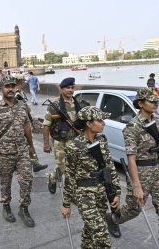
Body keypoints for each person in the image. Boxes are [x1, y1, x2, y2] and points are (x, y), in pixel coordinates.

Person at [107, 88, 159, 248]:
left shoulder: (157, 122)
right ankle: (112, 219)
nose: (156, 104)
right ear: (140, 103)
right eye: (152, 101)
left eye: (157, 101)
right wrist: (137, 186)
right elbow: (131, 158)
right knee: (133, 210)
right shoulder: (132, 127)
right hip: (141, 174)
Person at [61, 106, 121, 249]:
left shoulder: (102, 141)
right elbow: (69, 176)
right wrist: (66, 203)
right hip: (85, 194)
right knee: (102, 237)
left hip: (101, 192)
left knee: (90, 232)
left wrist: (116, 192)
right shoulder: (74, 147)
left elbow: (110, 167)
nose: (103, 123)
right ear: (88, 123)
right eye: (100, 120)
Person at [0, 78, 36, 227]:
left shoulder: (23, 106)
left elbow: (26, 126)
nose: (10, 89)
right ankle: (6, 206)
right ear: (1, 89)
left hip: (22, 151)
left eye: (13, 86)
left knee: (27, 180)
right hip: (3, 154)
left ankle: (24, 209)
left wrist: (31, 146)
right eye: (7, 86)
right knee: (5, 183)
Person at [43, 77, 80, 194]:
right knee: (64, 167)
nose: (70, 90)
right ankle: (71, 193)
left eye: (72, 87)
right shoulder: (55, 105)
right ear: (61, 89)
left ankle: (53, 176)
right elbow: (46, 125)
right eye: (67, 88)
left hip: (75, 140)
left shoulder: (78, 103)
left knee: (73, 166)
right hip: (60, 141)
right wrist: (46, 144)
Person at [14, 74, 48, 172]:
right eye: (23, 81)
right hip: (20, 123)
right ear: (20, 82)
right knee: (27, 143)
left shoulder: (21, 92)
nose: (25, 83)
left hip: (26, 120)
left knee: (29, 143)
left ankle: (35, 163)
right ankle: (30, 164)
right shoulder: (17, 94)